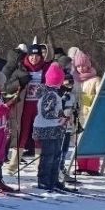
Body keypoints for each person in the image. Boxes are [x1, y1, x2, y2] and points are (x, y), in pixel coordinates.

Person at [3, 43, 50, 170]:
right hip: (24, 105)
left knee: (39, 132)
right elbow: (8, 86)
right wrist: (20, 82)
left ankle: (39, 161)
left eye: (37, 56)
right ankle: (14, 161)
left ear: (41, 56)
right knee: (21, 132)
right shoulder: (21, 69)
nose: (34, 58)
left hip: (40, 106)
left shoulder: (46, 68)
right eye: (31, 56)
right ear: (27, 56)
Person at [33, 62, 71, 191]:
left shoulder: (55, 94)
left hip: (55, 129)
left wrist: (63, 116)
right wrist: (59, 118)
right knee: (48, 156)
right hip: (47, 129)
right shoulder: (50, 94)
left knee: (56, 155)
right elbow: (47, 113)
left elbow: (55, 111)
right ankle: (44, 180)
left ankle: (53, 179)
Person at [71, 48, 103, 176]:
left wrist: (91, 101)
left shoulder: (95, 79)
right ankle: (81, 165)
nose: (81, 68)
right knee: (79, 141)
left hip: (91, 114)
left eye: (84, 65)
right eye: (79, 66)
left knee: (92, 140)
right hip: (78, 115)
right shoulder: (75, 81)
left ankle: (93, 166)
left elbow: (100, 96)